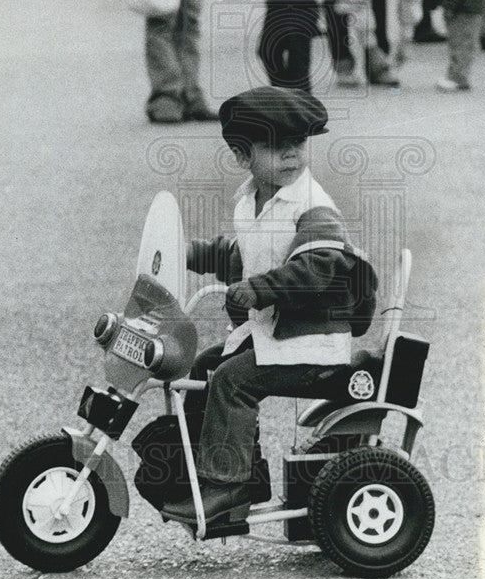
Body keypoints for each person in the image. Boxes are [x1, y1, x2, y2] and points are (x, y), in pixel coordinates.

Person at [161, 86, 378, 524]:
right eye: (277, 148)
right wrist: (188, 254)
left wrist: (260, 289)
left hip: (314, 344)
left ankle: (230, 484)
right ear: (244, 158)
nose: (292, 156)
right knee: (204, 367)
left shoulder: (313, 208)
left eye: (297, 145)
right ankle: (232, 470)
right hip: (277, 336)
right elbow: (242, 254)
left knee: (233, 380)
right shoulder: (254, 201)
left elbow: (319, 267)